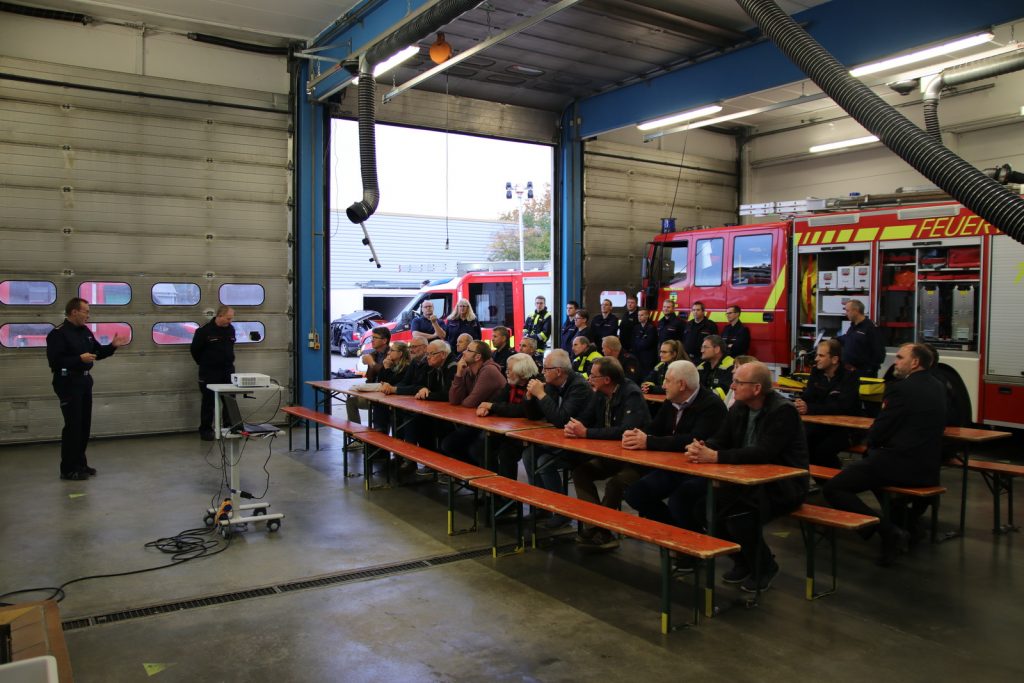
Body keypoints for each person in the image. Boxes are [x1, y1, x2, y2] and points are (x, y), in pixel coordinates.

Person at [685, 362, 809, 593]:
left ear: (757, 388)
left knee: (740, 515)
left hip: (783, 484)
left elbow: (765, 452)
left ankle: (764, 566)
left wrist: (717, 456)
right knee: (703, 510)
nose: (732, 386)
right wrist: (702, 447)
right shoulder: (739, 408)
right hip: (745, 481)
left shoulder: (783, 411)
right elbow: (721, 439)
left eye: (738, 382)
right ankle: (743, 560)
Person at [823, 343, 946, 566]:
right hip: (928, 465)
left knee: (835, 488)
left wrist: (872, 444)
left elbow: (880, 429)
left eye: (900, 358)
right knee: (872, 474)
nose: (895, 362)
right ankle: (909, 524)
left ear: (915, 362)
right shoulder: (939, 386)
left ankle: (886, 530)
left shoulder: (901, 389)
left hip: (899, 463)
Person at [623, 360, 728, 569]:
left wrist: (649, 441)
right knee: (636, 493)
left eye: (668, 380)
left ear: (682, 385)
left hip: (702, 470)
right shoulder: (671, 402)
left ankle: (690, 550)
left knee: (681, 499)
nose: (663, 384)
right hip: (674, 467)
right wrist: (639, 435)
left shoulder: (711, 406)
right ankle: (677, 536)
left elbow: (693, 440)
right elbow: (655, 428)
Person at [565, 356, 650, 551]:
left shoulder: (632, 395)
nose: (589, 379)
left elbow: (625, 431)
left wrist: (586, 433)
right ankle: (595, 526)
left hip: (635, 461)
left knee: (616, 483)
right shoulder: (600, 394)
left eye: (593, 376)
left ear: (607, 380)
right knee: (580, 472)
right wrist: (573, 426)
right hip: (610, 457)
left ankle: (602, 531)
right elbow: (585, 418)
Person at [46, 297, 129, 480]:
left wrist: (112, 347)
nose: (88, 316)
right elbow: (55, 361)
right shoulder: (58, 334)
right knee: (73, 426)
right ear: (74, 312)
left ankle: (80, 464)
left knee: (84, 426)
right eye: (86, 311)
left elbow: (97, 353)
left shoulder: (85, 331)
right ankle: (68, 469)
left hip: (84, 382)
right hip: (67, 382)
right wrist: (78, 360)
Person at [523, 349, 595, 524]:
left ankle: (561, 511)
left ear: (559, 371)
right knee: (528, 455)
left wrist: (541, 394)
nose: (542, 372)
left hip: (584, 444)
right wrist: (531, 397)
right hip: (560, 440)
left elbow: (560, 419)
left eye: (546, 368)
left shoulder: (578, 386)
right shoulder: (553, 384)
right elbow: (533, 416)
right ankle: (542, 507)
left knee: (544, 461)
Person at [794, 339, 860, 469]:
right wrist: (801, 403)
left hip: (846, 428)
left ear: (835, 359)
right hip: (821, 424)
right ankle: (819, 482)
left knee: (823, 451)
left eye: (821, 355)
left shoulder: (850, 376)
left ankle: (834, 482)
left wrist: (810, 408)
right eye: (817, 355)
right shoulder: (816, 372)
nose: (816, 359)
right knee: (802, 443)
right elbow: (808, 396)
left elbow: (842, 406)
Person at [475, 353, 541, 479]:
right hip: (510, 430)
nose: (506, 372)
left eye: (510, 370)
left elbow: (521, 410)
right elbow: (497, 401)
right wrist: (487, 409)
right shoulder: (511, 384)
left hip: (530, 434)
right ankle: (491, 489)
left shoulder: (535, 384)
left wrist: (492, 407)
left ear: (522, 371)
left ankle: (507, 497)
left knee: (506, 453)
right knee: (482, 445)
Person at [442, 340, 506, 463]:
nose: (463, 352)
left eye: (468, 350)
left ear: (477, 357)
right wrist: (459, 373)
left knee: (472, 450)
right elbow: (454, 400)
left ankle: (483, 478)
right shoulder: (467, 370)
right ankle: (468, 478)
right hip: (478, 421)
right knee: (448, 444)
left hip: (496, 424)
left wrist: (464, 399)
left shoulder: (489, 371)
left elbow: (469, 403)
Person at [190, 305, 236, 441]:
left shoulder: (231, 330)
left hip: (227, 370)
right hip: (209, 372)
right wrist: (205, 363)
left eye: (231, 319)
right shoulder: (204, 331)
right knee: (208, 401)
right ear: (219, 316)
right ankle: (205, 430)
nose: (230, 321)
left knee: (229, 400)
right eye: (228, 318)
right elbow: (194, 350)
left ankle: (229, 427)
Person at [347, 326, 389, 424]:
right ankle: (355, 434)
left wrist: (371, 363)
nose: (372, 340)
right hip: (372, 392)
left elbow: (386, 374)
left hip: (385, 393)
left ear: (384, 340)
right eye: (371, 338)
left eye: (375, 338)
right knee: (351, 401)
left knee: (379, 419)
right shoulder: (374, 354)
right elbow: (369, 378)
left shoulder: (391, 354)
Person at [838, 299, 885, 377]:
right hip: (850, 371)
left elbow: (879, 353)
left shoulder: (870, 327)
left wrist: (867, 369)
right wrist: (834, 340)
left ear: (856, 311)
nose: (846, 314)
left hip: (864, 373)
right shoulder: (853, 326)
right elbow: (848, 338)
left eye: (847, 311)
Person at [696, 335, 734, 400]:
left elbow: (725, 392)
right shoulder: (701, 367)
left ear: (717, 349)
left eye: (705, 347)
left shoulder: (731, 366)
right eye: (702, 347)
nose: (702, 351)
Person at [631, 308, 659, 378]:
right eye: (638, 315)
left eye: (642, 315)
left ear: (647, 316)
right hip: (638, 357)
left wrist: (638, 343)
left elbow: (647, 344)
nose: (639, 317)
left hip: (648, 359)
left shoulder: (651, 328)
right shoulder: (636, 327)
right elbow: (633, 342)